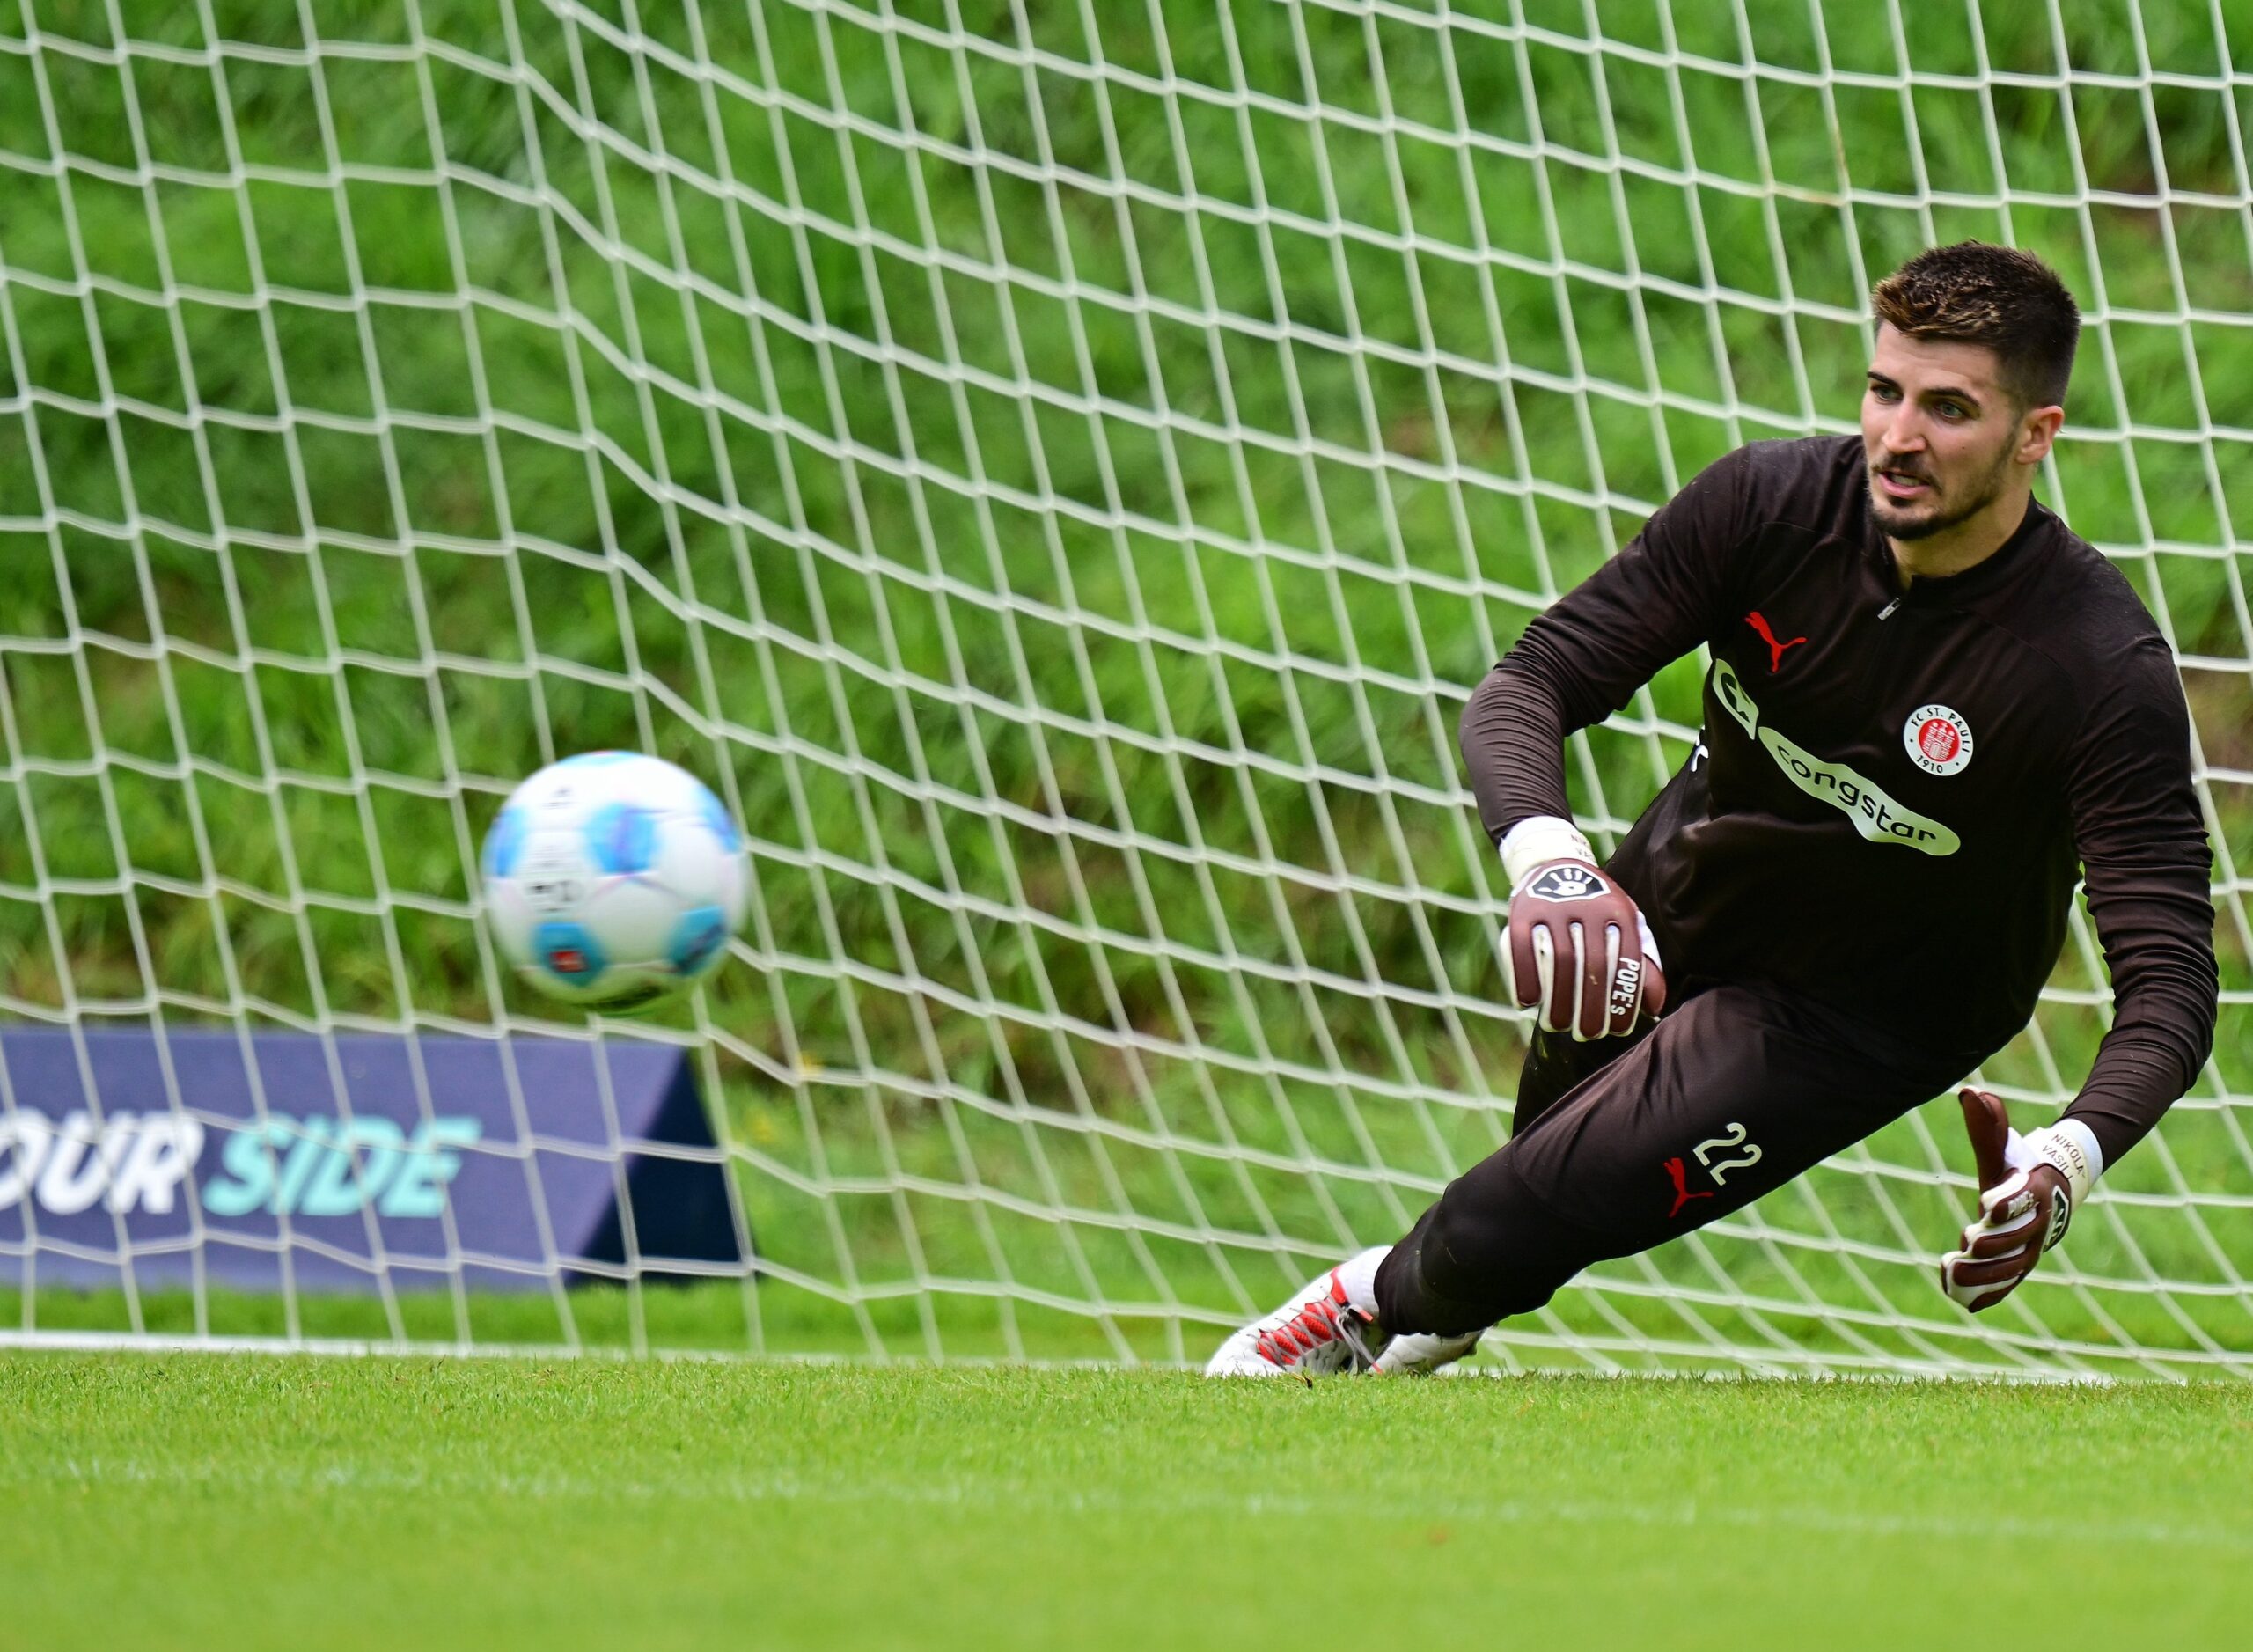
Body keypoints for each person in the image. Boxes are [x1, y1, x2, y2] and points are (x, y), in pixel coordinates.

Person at [1205, 242, 2219, 1377]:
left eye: (1949, 408)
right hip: (1682, 892)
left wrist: (2068, 1159)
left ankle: (1347, 1313)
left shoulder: (2094, 665)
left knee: (1534, 1203)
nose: (1898, 436)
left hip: (1867, 1009)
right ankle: (1446, 1302)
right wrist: (1550, 861)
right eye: (1885, 391)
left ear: (2036, 434)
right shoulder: (1769, 508)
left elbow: (2173, 982)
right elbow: (1531, 682)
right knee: (1544, 1172)